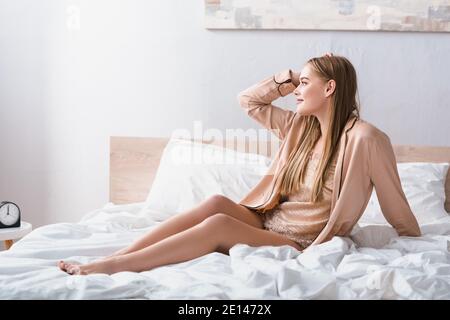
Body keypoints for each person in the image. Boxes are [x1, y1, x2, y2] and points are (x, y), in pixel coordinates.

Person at [59, 53, 421, 275]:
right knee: (218, 202)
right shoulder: (300, 126)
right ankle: (122, 253)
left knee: (218, 223)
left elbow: (395, 205)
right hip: (268, 220)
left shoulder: (367, 139)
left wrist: (413, 240)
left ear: (329, 89)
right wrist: (287, 78)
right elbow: (249, 101)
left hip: (299, 242)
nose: (297, 90)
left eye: (305, 83)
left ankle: (113, 267)